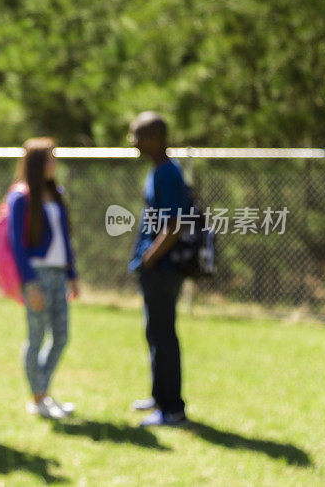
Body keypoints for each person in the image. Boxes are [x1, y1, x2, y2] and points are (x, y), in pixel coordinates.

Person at [6, 137, 80, 419]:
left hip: (59, 274)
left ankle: (45, 391)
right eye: (49, 158)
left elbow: (65, 238)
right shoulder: (20, 196)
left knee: (61, 336)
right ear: (36, 163)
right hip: (36, 275)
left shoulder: (56, 193)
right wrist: (30, 282)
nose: (54, 163)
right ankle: (38, 398)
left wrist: (73, 275)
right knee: (36, 336)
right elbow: (17, 243)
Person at [128, 111, 189, 427]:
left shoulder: (168, 173)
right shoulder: (158, 170)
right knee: (155, 332)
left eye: (136, 135)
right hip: (154, 267)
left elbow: (176, 223)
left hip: (163, 269)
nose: (132, 141)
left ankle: (172, 409)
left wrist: (151, 257)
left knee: (163, 336)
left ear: (154, 138)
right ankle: (159, 396)